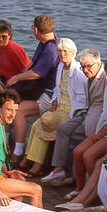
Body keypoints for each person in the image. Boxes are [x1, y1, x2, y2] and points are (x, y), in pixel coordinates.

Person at [18, 38, 86, 176]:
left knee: (44, 124)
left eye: (65, 51)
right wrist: (54, 101)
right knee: (37, 124)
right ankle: (27, 159)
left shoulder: (78, 72)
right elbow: (57, 88)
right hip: (59, 107)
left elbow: (82, 97)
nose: (62, 54)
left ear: (73, 52)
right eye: (60, 51)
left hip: (71, 111)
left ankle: (37, 166)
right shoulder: (61, 67)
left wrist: (73, 114)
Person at [46, 49, 107, 186]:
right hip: (86, 113)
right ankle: (60, 169)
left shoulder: (105, 79)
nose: (86, 70)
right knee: (63, 129)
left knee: (76, 136)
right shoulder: (89, 77)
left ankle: (74, 177)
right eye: (83, 67)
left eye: (89, 66)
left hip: (97, 120)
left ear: (98, 63)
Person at [4, 14, 59, 155]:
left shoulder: (51, 50)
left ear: (35, 30)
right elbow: (31, 65)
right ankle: (5, 141)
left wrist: (17, 78)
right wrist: (18, 79)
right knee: (8, 101)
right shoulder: (45, 43)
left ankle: (18, 151)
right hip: (38, 89)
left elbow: (37, 73)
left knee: (18, 111)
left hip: (48, 94)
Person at [0, 20, 31, 85]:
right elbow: (0, 67)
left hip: (17, 83)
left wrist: (15, 80)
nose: (0, 39)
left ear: (9, 36)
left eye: (4, 37)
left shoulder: (15, 49)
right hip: (3, 79)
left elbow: (27, 71)